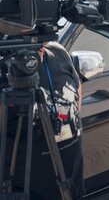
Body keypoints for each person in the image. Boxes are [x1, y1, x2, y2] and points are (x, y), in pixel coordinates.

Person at [3, 41, 84, 199]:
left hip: (70, 188)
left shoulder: (58, 51)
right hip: (22, 192)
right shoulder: (5, 63)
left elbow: (77, 93)